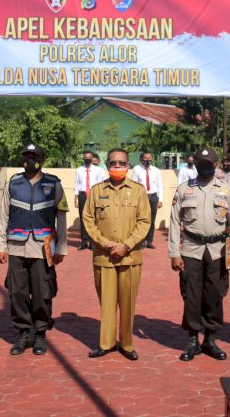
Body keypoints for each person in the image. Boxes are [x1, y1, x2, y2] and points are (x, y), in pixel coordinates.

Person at [169, 147, 230, 361]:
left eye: (208, 164)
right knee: (191, 294)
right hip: (191, 249)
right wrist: (175, 252)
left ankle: (210, 338)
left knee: (215, 294)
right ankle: (193, 339)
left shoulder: (226, 190)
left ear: (216, 165)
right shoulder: (184, 189)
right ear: (195, 165)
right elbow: (174, 222)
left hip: (218, 250)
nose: (204, 168)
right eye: (200, 164)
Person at [0, 143, 68, 356]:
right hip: (17, 245)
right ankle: (24, 333)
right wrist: (1, 246)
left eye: (34, 156)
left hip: (42, 247)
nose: (30, 160)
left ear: (42, 160)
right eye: (27, 156)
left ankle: (40, 334)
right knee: (17, 292)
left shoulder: (53, 184)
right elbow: (3, 216)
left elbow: (61, 217)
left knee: (42, 292)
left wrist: (62, 247)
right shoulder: (13, 183)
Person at [83, 148, 150, 360]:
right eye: (113, 163)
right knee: (107, 303)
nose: (117, 167)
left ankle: (127, 344)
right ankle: (107, 343)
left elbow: (144, 222)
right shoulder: (96, 190)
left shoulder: (139, 191)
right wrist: (105, 243)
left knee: (128, 303)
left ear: (128, 166)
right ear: (107, 166)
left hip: (130, 257)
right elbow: (88, 220)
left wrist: (126, 245)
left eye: (121, 163)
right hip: (104, 256)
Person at [130, 151, 163, 249]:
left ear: (152, 159)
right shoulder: (136, 169)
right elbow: (134, 185)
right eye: (145, 159)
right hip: (141, 197)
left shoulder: (157, 170)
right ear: (141, 159)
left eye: (149, 159)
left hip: (153, 197)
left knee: (151, 220)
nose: (147, 161)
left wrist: (160, 200)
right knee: (140, 219)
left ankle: (149, 241)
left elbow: (160, 186)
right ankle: (141, 241)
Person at [74, 150, 105, 250]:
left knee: (94, 218)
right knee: (83, 218)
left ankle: (92, 242)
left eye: (89, 157)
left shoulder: (99, 170)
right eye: (85, 157)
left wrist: (101, 198)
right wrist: (76, 198)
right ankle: (84, 242)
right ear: (83, 158)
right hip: (82, 195)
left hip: (94, 195)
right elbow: (77, 185)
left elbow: (101, 185)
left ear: (92, 159)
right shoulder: (79, 170)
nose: (87, 159)